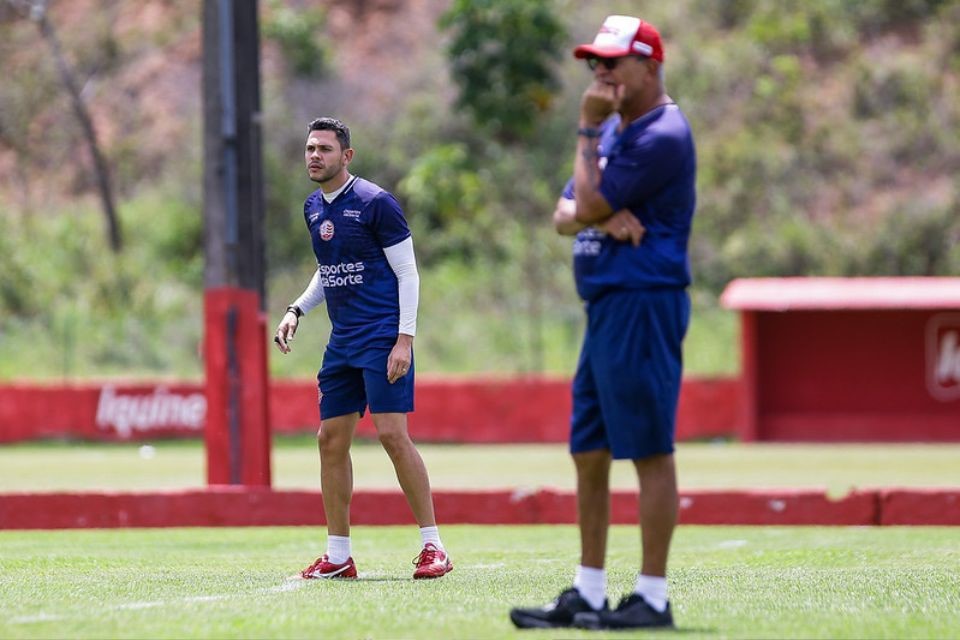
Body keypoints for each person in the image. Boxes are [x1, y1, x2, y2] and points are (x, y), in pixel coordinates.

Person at [510, 15, 696, 630]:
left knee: (648, 449)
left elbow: (583, 202)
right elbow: (563, 213)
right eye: (594, 62)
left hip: (643, 300)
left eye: (612, 62)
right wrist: (595, 211)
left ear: (650, 65)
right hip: (607, 306)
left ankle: (653, 598)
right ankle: (589, 591)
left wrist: (588, 134)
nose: (600, 72)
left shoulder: (661, 132)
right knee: (589, 450)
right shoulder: (617, 131)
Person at [274, 117, 452, 581]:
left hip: (381, 336)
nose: (315, 156)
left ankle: (434, 547)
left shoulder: (376, 203)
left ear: (346, 156)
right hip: (343, 341)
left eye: (325, 149)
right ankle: (338, 556)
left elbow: (408, 273)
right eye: (310, 149)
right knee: (329, 439)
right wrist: (296, 309)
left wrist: (404, 339)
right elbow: (327, 270)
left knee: (392, 435)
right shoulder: (313, 207)